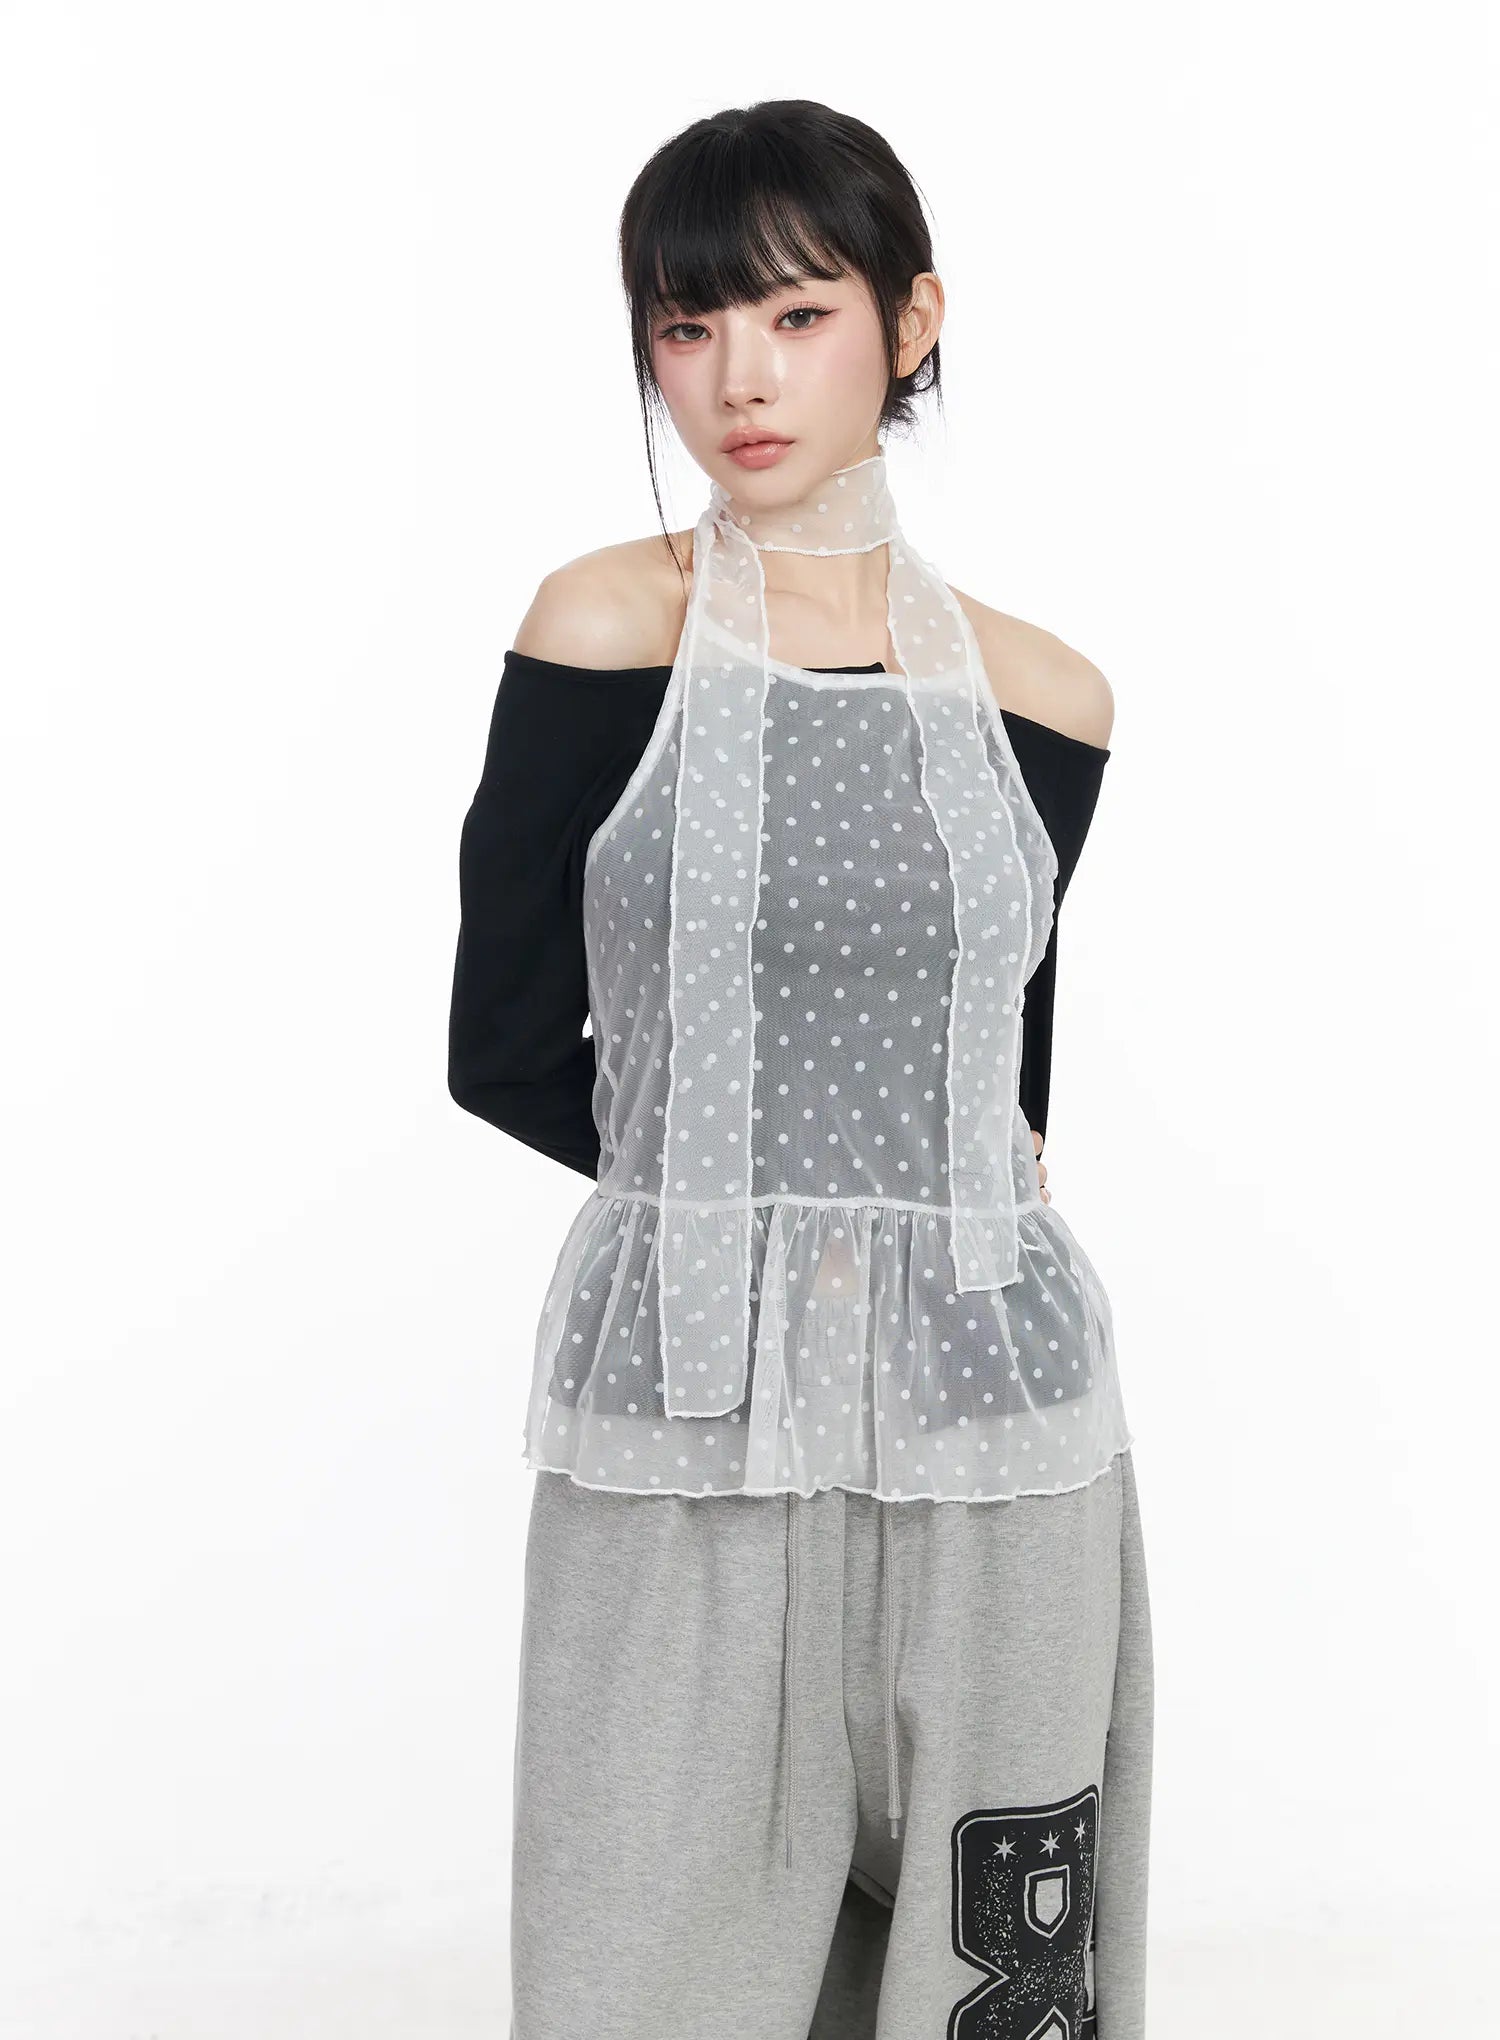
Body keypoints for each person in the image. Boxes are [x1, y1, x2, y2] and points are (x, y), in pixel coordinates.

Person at [449, 98, 1153, 2040]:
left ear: (910, 321)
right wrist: (743, 1220)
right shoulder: (606, 629)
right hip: (688, 1413)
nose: (737, 379)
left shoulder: (1044, 694)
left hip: (996, 1424)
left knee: (994, 1963)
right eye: (686, 327)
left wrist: (901, 1227)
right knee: (641, 1950)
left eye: (794, 314)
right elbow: (501, 1049)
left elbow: (1002, 1096)